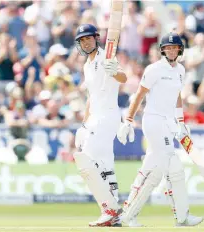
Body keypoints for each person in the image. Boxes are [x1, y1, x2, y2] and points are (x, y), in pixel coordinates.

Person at [117, 32, 204, 227]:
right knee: (172, 166)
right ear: (162, 50)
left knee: (150, 168)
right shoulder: (154, 69)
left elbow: (177, 96)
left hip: (168, 123)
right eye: (168, 48)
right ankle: (180, 217)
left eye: (175, 48)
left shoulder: (180, 70)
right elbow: (139, 94)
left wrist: (181, 122)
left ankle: (129, 214)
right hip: (153, 122)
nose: (172, 50)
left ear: (180, 50)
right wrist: (128, 121)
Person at [72, 24, 127, 227]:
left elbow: (124, 77)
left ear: (96, 38)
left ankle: (108, 209)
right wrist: (84, 125)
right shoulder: (87, 65)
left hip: (108, 116)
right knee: (105, 166)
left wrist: (114, 72)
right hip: (95, 118)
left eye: (88, 38)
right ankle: (115, 217)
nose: (86, 42)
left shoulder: (106, 57)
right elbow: (90, 97)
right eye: (82, 40)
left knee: (86, 161)